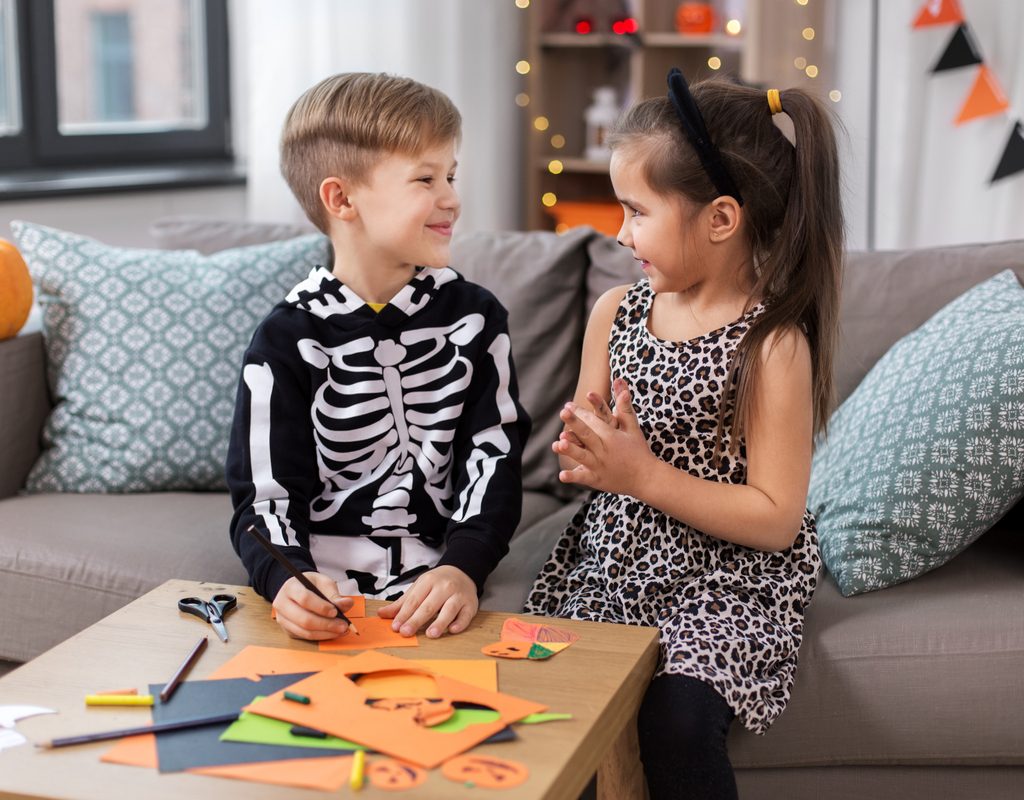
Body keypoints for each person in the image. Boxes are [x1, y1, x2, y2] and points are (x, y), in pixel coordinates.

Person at [525, 69, 843, 800]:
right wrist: (588, 454)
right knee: (557, 721)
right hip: (614, 562)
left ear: (721, 219)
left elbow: (775, 518)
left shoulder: (771, 347)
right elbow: (586, 440)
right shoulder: (615, 311)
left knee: (675, 725)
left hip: (726, 583)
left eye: (636, 212)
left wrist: (643, 476)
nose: (619, 232)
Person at [226, 72, 530, 643]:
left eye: (451, 175)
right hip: (324, 592)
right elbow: (263, 495)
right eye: (425, 178)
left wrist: (464, 566)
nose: (452, 198)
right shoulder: (284, 339)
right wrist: (288, 580)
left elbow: (494, 458)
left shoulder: (475, 317)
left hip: (441, 587)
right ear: (341, 198)